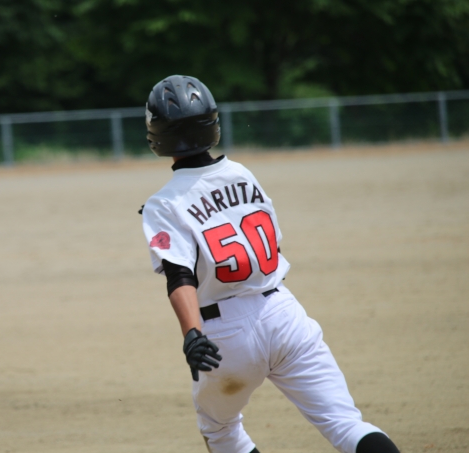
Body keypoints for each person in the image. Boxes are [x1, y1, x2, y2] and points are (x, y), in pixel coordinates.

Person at [139, 75, 400, 453]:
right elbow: (272, 243)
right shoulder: (242, 174)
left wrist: (192, 333)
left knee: (221, 432)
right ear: (212, 123)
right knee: (346, 424)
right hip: (283, 314)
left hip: (225, 335)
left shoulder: (164, 203)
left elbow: (180, 276)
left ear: (157, 132)